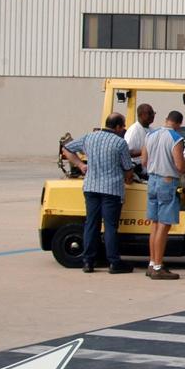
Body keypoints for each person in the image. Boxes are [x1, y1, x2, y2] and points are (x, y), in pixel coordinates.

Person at [61, 113, 135, 274]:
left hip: (91, 187)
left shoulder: (90, 137)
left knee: (91, 224)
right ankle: (114, 262)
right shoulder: (120, 143)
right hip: (111, 190)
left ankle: (88, 261)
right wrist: (129, 179)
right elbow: (128, 169)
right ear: (117, 127)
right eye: (122, 127)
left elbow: (66, 149)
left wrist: (81, 165)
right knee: (110, 226)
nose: (123, 130)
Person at [142, 110, 185, 280]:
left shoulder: (150, 135)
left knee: (154, 224)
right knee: (164, 224)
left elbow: (144, 161)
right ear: (179, 123)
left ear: (166, 119)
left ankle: (152, 263)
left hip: (152, 181)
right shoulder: (176, 138)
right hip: (167, 182)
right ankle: (159, 266)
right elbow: (180, 165)